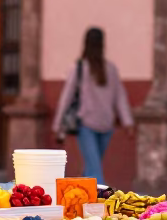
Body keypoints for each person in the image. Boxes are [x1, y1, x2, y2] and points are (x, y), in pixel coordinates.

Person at [52, 27, 134, 183]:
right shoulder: (107, 69)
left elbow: (66, 98)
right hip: (99, 125)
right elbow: (120, 98)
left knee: (92, 169)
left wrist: (57, 125)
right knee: (94, 169)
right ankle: (94, 203)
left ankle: (82, 198)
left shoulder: (82, 68)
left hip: (90, 125)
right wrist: (128, 122)